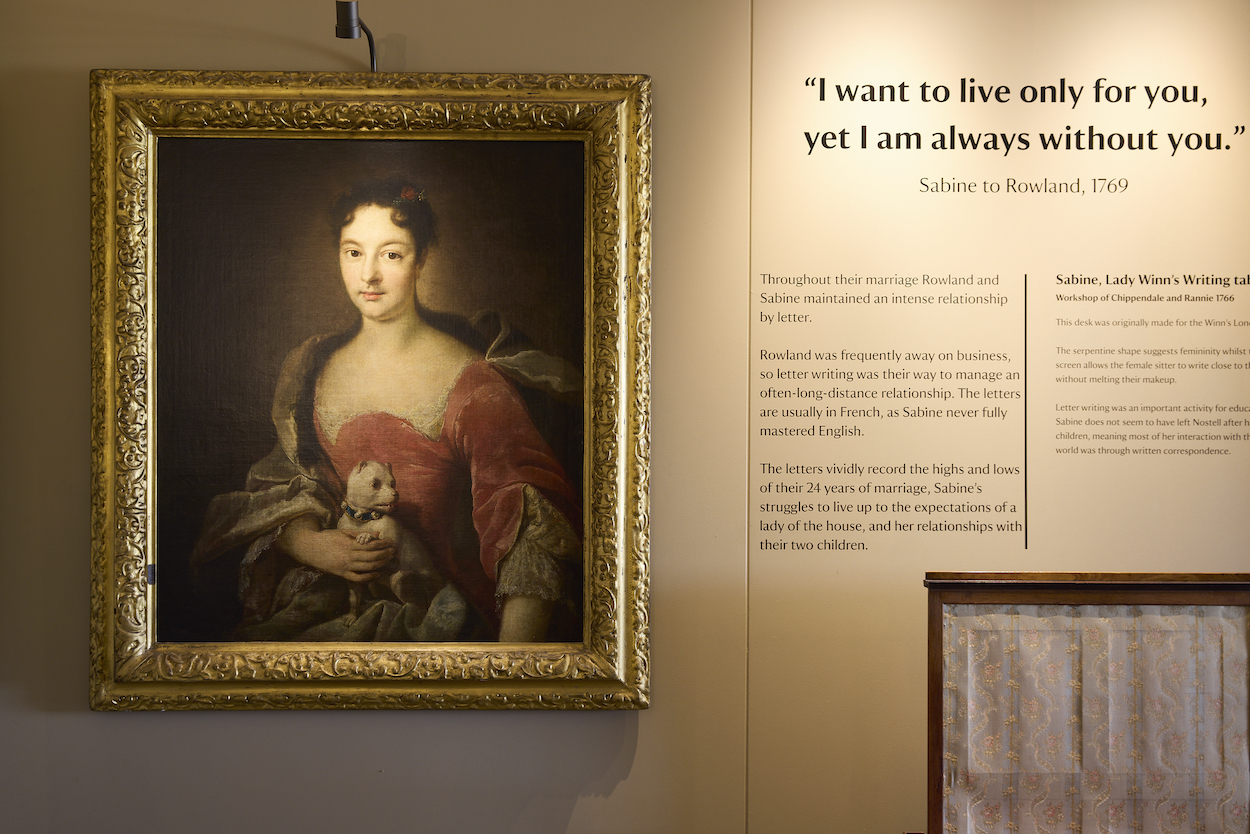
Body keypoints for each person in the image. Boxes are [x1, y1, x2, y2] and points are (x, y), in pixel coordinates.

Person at [191, 174, 582, 642]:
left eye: (391, 254)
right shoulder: (312, 368)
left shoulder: (474, 383)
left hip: (439, 617)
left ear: (421, 261)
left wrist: (512, 675)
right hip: (331, 604)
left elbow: (528, 530)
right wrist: (313, 545)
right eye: (353, 252)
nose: (368, 275)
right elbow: (286, 485)